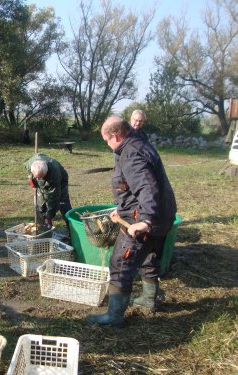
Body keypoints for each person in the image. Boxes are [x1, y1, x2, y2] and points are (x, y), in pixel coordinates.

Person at [86, 117, 177, 328]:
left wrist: (146, 221)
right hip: (164, 214)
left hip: (144, 218)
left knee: (120, 263)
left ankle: (114, 317)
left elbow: (146, 187)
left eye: (106, 140)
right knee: (149, 255)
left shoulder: (130, 154)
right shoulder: (140, 143)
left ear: (115, 136)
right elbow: (135, 186)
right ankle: (148, 299)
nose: (107, 145)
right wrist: (122, 207)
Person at [25, 153, 72, 232]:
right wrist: (33, 182)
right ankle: (42, 227)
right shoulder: (30, 164)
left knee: (62, 203)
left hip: (60, 183)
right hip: (40, 180)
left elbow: (54, 197)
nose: (37, 179)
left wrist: (49, 214)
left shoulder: (54, 173)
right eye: (36, 177)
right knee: (40, 205)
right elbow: (29, 173)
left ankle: (71, 229)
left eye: (40, 177)